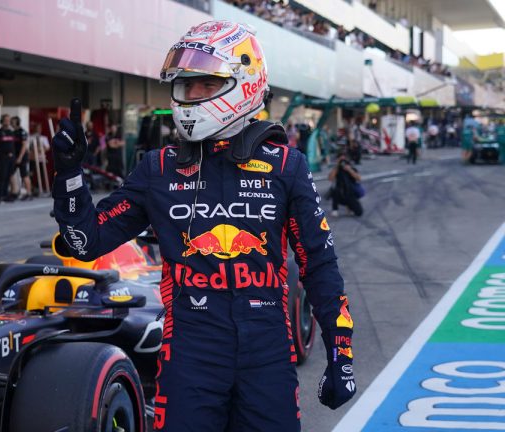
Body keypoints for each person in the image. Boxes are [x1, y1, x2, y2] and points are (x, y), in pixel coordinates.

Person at [51, 20, 355, 431]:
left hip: (267, 352)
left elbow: (319, 266)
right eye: (186, 86)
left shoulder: (286, 166)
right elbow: (83, 241)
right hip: (190, 353)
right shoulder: (157, 169)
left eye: (206, 86)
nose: (192, 96)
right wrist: (69, 173)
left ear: (245, 82)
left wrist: (340, 352)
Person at [328, 150, 363, 217]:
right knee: (335, 190)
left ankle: (349, 207)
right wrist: (337, 165)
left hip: (350, 193)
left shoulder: (351, 168)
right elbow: (330, 178)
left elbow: (359, 178)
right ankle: (335, 209)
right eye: (341, 160)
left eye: (344, 159)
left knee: (359, 212)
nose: (343, 162)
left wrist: (349, 170)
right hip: (339, 193)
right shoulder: (337, 169)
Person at [0, 114, 16, 203]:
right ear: (2, 121)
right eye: (6, 120)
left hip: (11, 158)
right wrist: (3, 153)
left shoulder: (11, 132)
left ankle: (5, 195)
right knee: (2, 176)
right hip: (2, 158)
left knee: (9, 176)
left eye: (8, 120)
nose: (7, 122)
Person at [11, 116, 32, 200]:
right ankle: (14, 192)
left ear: (17, 122)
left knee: (24, 175)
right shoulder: (13, 132)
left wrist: (20, 157)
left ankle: (29, 193)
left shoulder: (22, 132)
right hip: (14, 156)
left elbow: (24, 146)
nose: (11, 123)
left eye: (13, 122)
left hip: (22, 156)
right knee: (11, 173)